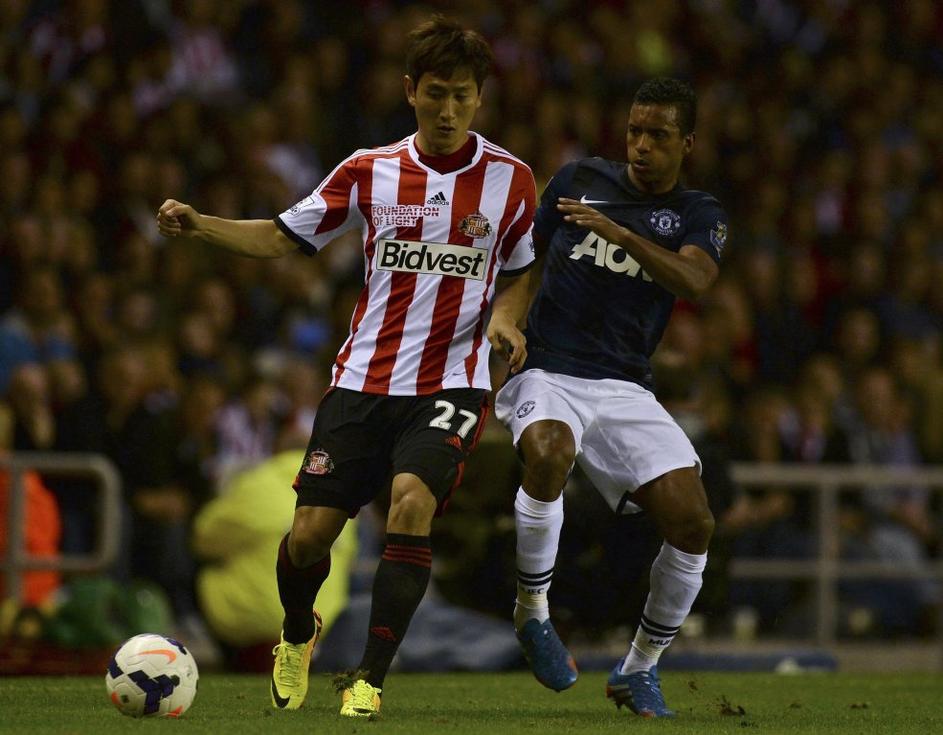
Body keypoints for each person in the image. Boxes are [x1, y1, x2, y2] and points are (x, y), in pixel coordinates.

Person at [157, 15, 536, 719]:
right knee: (307, 538)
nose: (447, 109)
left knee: (411, 503)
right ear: (410, 91)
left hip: (452, 381)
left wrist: (507, 319)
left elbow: (520, 268)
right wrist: (202, 224)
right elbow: (280, 237)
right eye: (435, 93)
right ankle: (296, 634)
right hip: (362, 381)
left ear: (479, 98)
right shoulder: (368, 170)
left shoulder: (511, 181)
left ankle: (369, 677)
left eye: (461, 95)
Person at [494, 77, 728, 718]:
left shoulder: (698, 213)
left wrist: (621, 234)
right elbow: (523, 262)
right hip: (548, 368)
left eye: (658, 135)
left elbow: (696, 279)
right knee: (548, 453)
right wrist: (507, 318)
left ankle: (639, 667)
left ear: (687, 143)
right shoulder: (578, 179)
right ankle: (533, 613)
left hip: (625, 386)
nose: (641, 145)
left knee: (694, 523)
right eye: (634, 131)